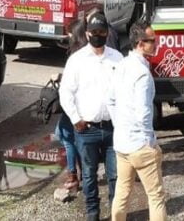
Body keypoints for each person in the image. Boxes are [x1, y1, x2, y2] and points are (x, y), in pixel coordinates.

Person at [59, 14, 123, 221]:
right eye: (94, 32)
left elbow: (124, 90)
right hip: (86, 130)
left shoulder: (117, 58)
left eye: (102, 32)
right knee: (88, 175)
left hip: (113, 129)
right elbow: (65, 93)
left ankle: (116, 214)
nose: (98, 36)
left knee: (115, 176)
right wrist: (76, 119)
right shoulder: (76, 61)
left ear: (107, 33)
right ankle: (93, 214)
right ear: (87, 33)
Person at [109, 24, 167, 221]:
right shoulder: (142, 74)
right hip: (140, 145)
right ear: (141, 44)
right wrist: (149, 140)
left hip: (122, 143)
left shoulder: (121, 65)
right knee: (156, 197)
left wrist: (120, 125)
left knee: (122, 193)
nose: (156, 44)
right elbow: (143, 111)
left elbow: (111, 100)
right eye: (152, 41)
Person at [56, 20, 89, 194]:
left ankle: (72, 175)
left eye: (70, 34)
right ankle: (79, 172)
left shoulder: (76, 57)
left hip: (75, 107)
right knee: (66, 135)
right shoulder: (87, 54)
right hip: (80, 106)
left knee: (65, 136)